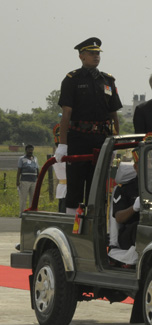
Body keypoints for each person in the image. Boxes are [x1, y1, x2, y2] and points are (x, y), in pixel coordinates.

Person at [54, 37, 122, 216]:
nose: (96, 56)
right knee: (75, 186)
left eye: (98, 53)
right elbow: (66, 114)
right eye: (92, 53)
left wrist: (114, 141)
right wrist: (63, 144)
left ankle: (94, 227)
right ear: (81, 56)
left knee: (97, 188)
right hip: (78, 138)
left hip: (101, 140)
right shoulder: (72, 79)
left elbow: (114, 115)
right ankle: (71, 226)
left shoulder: (108, 80)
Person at [16, 145, 39, 216]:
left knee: (33, 198)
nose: (30, 151)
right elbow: (19, 170)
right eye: (29, 150)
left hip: (34, 181)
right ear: (26, 150)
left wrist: (39, 179)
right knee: (23, 198)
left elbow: (37, 169)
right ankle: (22, 213)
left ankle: (31, 214)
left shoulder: (35, 158)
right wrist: (17, 180)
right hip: (24, 181)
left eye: (31, 150)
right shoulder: (22, 159)